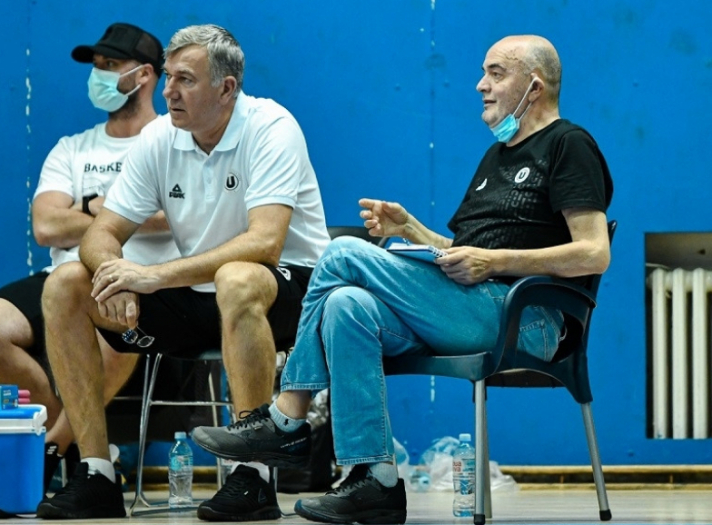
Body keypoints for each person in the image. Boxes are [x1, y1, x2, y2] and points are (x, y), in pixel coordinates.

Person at [192, 34, 614, 524]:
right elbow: (463, 253)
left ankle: (287, 416)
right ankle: (376, 480)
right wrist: (410, 229)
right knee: (346, 306)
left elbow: (594, 253)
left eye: (496, 73)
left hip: (527, 318)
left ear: (535, 87)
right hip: (470, 304)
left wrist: (495, 262)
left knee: (342, 251)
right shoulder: (495, 157)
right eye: (484, 73)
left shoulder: (569, 144)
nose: (480, 85)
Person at [35, 24, 331, 521]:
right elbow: (99, 234)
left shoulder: (272, 127)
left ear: (226, 88)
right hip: (199, 297)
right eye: (168, 76)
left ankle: (253, 476)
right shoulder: (159, 138)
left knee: (237, 276)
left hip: (291, 294)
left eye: (185, 80)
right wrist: (111, 273)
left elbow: (265, 242)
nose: (168, 91)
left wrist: (153, 276)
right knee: (65, 283)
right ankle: (96, 474)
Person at [0, 22, 179, 491]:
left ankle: (47, 452)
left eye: (110, 65)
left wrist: (100, 209)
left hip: (138, 277)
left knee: (116, 322)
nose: (98, 75)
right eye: (96, 65)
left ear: (144, 75)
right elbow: (46, 226)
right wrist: (114, 212)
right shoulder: (73, 148)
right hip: (63, 273)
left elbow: (180, 215)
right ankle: (78, 443)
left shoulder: (172, 140)